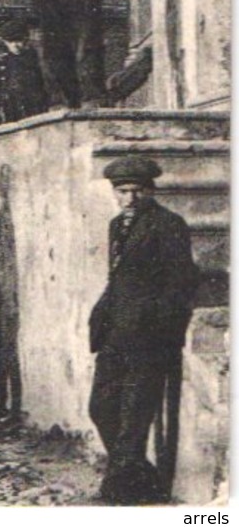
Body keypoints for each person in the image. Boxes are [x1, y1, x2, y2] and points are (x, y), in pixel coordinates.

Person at [87, 157, 200, 504]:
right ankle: (141, 477)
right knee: (102, 407)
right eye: (122, 191)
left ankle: (122, 489)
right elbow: (118, 277)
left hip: (149, 337)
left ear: (150, 190)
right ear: (114, 192)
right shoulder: (116, 225)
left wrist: (162, 329)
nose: (130, 199)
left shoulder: (169, 225)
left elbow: (181, 283)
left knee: (135, 414)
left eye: (137, 191)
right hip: (116, 333)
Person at [0, 18, 48, 123]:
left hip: (33, 106)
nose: (15, 45)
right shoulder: (1, 61)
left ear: (25, 40)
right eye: (10, 41)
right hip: (11, 107)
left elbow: (41, 85)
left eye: (18, 40)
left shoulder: (33, 60)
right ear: (4, 42)